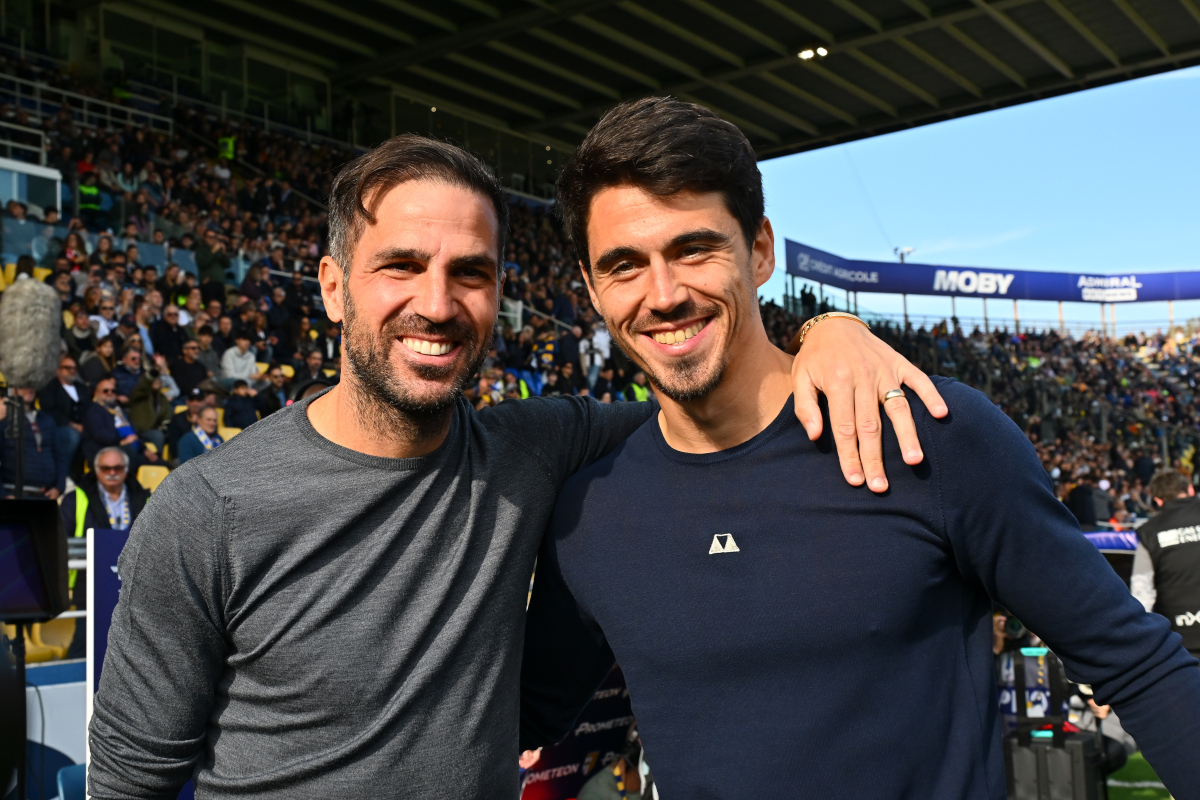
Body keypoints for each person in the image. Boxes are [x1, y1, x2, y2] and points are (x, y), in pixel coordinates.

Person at [88, 134, 944, 799]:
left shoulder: (537, 447)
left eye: (472, 273)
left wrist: (827, 331)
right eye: (401, 267)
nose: (436, 303)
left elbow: (713, 404)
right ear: (332, 286)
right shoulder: (211, 508)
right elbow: (131, 779)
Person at [518, 97, 1200, 798]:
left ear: (759, 250)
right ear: (592, 287)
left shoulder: (930, 435)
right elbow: (510, 715)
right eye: (624, 265)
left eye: (693, 249)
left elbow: (1138, 665)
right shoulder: (589, 514)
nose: (663, 294)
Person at [59, 445, 151, 658]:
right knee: (85, 641)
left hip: (133, 582)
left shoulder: (144, 497)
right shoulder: (76, 499)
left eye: (118, 467)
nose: (112, 472)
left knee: (135, 648)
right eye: (106, 468)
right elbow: (63, 539)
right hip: (91, 580)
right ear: (96, 469)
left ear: (126, 470)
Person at [1132, 468, 1200, 661]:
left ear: (1158, 500)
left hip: (1181, 641)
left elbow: (1142, 592)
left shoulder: (1149, 533)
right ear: (1190, 489)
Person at [0, 386, 63, 499]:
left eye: (32, 385)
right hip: (13, 493)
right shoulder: (4, 421)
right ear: (13, 390)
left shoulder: (46, 419)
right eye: (23, 386)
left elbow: (59, 455)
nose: (29, 389)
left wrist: (59, 487)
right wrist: (3, 495)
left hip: (45, 494)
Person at [37, 355, 87, 487]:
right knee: (71, 436)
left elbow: (89, 409)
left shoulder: (81, 388)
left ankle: (83, 480)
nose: (72, 371)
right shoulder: (50, 388)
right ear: (57, 370)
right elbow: (48, 410)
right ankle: (63, 475)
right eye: (67, 368)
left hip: (82, 427)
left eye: (74, 368)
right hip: (59, 427)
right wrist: (72, 425)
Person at [81, 375, 139, 465]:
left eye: (113, 391)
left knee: (161, 463)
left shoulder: (118, 409)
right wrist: (120, 441)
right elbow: (99, 433)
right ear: (96, 393)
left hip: (128, 446)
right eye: (105, 391)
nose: (110, 393)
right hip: (105, 451)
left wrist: (145, 449)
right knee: (130, 453)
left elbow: (133, 430)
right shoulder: (94, 410)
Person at [165, 387, 205, 457]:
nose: (195, 403)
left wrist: (198, 424)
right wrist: (191, 424)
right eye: (192, 400)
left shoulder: (208, 420)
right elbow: (173, 448)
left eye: (198, 400)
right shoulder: (177, 419)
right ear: (187, 402)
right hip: (182, 458)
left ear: (203, 403)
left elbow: (212, 444)